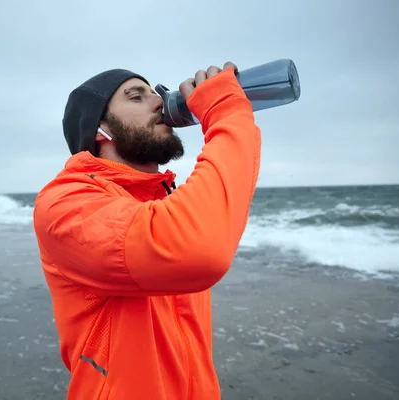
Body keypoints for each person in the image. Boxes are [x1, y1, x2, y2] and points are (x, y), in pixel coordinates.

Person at [32, 61, 261, 399]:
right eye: (136, 97)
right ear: (100, 129)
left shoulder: (164, 202)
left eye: (155, 93)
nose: (159, 102)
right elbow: (199, 249)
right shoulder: (64, 204)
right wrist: (225, 115)